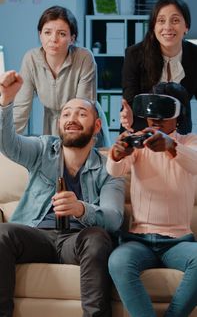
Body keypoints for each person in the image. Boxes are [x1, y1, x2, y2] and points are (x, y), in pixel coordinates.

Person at [0, 70, 125, 317]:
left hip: (76, 241)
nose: (71, 118)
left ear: (97, 125)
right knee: (2, 232)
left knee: (98, 237)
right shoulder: (42, 149)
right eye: (66, 113)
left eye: (81, 113)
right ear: (59, 124)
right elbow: (7, 143)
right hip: (37, 235)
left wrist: (81, 208)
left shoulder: (109, 168)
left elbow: (114, 218)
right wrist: (5, 102)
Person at [106, 83, 197, 317]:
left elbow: (194, 162)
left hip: (178, 241)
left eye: (164, 110)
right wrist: (117, 154)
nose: (156, 118)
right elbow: (114, 171)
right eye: (151, 111)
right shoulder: (137, 143)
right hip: (139, 239)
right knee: (118, 261)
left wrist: (171, 145)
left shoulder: (189, 142)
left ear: (179, 115)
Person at [13, 5, 110, 147]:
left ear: (72, 38)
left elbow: (82, 108)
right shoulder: (31, 59)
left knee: (86, 167)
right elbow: (20, 111)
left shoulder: (84, 58)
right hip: (52, 125)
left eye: (62, 34)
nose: (53, 39)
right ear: (40, 35)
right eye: (47, 32)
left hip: (84, 125)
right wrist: (5, 141)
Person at [121, 0, 197, 134]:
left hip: (180, 134)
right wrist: (127, 117)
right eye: (161, 21)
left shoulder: (194, 55)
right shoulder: (134, 54)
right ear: (153, 27)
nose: (167, 27)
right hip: (141, 130)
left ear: (186, 26)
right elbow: (130, 102)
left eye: (175, 20)